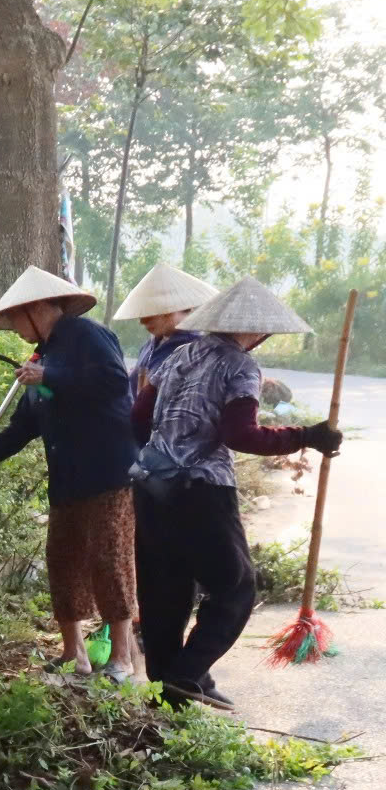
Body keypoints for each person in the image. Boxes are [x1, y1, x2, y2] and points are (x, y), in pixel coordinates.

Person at [129, 274, 344, 710]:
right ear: (256, 330)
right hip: (201, 493)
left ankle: (168, 697)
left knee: (165, 592)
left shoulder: (176, 355)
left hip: (150, 489)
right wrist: (308, 435)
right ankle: (185, 674)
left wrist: (169, 445)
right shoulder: (240, 365)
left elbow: (136, 421)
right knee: (235, 587)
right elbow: (240, 435)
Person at [0, 265, 141, 680]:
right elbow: (26, 424)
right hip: (67, 479)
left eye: (15, 319)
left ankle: (122, 658)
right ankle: (73, 654)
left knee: (108, 559)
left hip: (106, 472)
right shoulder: (40, 356)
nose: (13, 329)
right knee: (63, 560)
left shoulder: (85, 335)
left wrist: (52, 376)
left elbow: (115, 383)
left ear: (38, 307)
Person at [117, 260, 217, 384]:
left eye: (149, 316)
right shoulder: (150, 346)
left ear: (170, 311)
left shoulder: (197, 351)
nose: (142, 322)